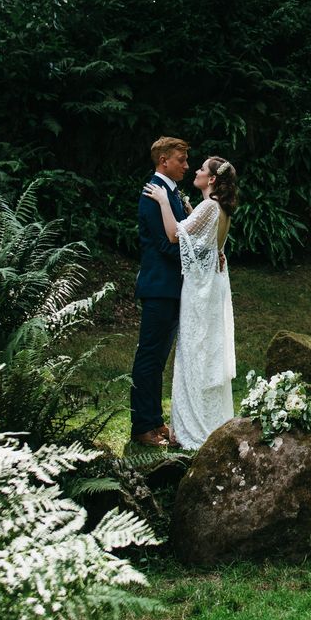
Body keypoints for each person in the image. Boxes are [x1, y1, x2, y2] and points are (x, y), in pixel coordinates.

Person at [143, 155, 239, 450]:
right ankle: (209, 420)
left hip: (199, 292)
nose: (194, 171)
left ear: (211, 180)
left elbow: (174, 235)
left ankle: (191, 429)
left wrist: (161, 201)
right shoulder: (219, 209)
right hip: (212, 288)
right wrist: (187, 208)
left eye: (201, 169)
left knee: (193, 351)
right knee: (205, 351)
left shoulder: (210, 207)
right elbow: (207, 245)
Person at [130, 136, 190, 447]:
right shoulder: (153, 193)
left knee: (158, 359)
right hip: (159, 287)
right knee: (149, 358)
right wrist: (198, 257)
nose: (186, 165)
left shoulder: (171, 193)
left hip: (171, 288)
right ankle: (141, 426)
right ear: (164, 160)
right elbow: (167, 245)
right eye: (181, 160)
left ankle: (154, 421)